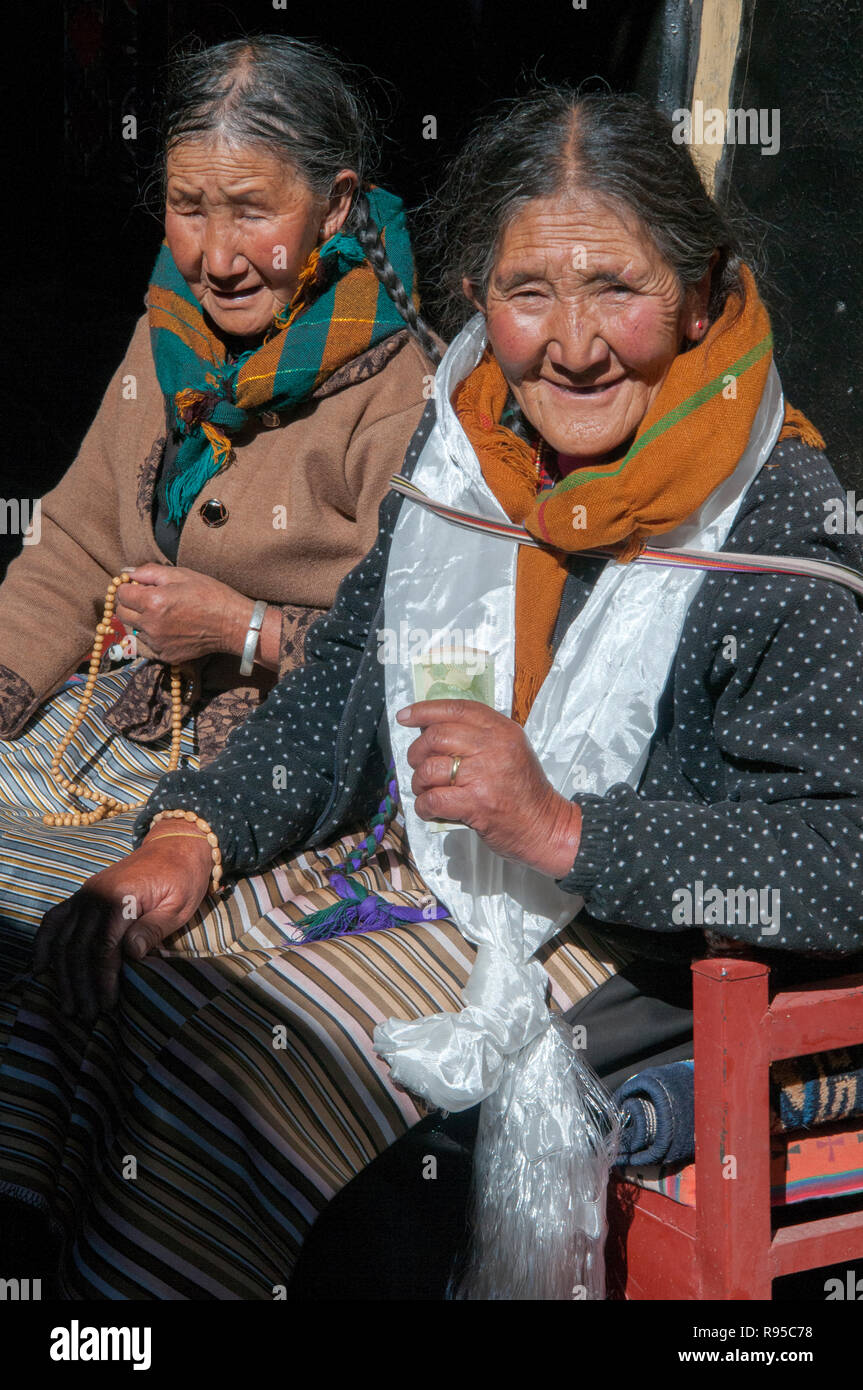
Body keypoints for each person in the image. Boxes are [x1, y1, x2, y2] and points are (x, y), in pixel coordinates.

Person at [4, 88, 863, 1300]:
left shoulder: (773, 518)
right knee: (93, 982)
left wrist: (566, 828)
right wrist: (195, 838)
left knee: (247, 1081)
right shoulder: (468, 444)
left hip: (632, 952)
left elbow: (843, 852)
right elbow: (353, 676)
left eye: (614, 288)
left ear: (699, 292)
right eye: (528, 294)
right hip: (435, 877)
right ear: (477, 303)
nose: (570, 345)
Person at [0, 34, 436, 939]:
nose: (218, 256)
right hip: (124, 716)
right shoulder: (168, 334)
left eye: (250, 211)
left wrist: (240, 630)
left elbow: (416, 654)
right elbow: (76, 537)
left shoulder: (406, 387)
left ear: (334, 204)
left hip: (287, 772)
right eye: (189, 209)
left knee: (119, 965)